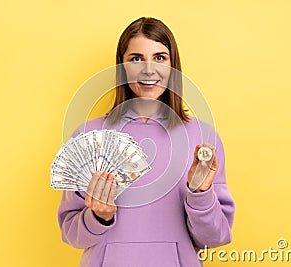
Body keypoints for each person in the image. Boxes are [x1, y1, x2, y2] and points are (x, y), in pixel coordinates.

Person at [58, 17, 235, 267]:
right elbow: (71, 235)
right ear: (122, 66)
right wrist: (99, 216)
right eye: (136, 58)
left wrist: (200, 194)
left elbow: (214, 238)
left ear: (173, 66)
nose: (148, 70)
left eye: (160, 58)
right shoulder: (88, 135)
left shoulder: (202, 137)